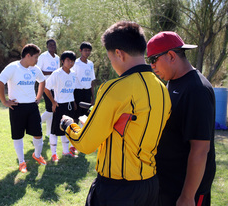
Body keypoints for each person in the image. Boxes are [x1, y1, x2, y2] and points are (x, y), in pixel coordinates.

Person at [60, 21, 171, 206]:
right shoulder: (162, 89)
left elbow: (85, 143)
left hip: (117, 190)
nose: (113, 64)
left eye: (111, 58)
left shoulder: (115, 88)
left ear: (118, 53)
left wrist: (68, 125)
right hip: (150, 185)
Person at [147, 31, 216, 206]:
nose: (152, 66)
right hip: (168, 184)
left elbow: (200, 149)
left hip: (185, 191)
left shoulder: (196, 89)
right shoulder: (174, 81)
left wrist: (187, 196)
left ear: (171, 55)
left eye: (153, 59)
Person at [0, 44, 47, 173]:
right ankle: (21, 162)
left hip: (32, 106)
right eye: (35, 57)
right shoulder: (13, 67)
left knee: (38, 134)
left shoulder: (34, 69)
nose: (37, 61)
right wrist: (4, 101)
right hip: (17, 107)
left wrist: (39, 96)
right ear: (28, 56)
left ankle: (37, 155)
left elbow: (42, 80)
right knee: (18, 136)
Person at [44, 51, 78, 162]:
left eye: (72, 61)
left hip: (70, 105)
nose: (70, 63)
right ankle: (53, 154)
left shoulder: (73, 73)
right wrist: (53, 102)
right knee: (55, 130)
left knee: (67, 129)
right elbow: (46, 88)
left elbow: (72, 90)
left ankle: (66, 151)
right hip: (59, 105)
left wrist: (73, 102)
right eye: (68, 60)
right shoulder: (57, 73)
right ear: (62, 61)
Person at [37, 39, 60, 137]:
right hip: (45, 85)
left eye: (54, 45)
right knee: (50, 109)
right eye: (50, 45)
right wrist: (52, 73)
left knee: (52, 109)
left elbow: (58, 72)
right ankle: (37, 123)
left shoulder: (57, 58)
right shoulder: (43, 56)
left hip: (55, 86)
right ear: (47, 46)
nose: (52, 46)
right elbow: (38, 71)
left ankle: (48, 133)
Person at [72, 41, 96, 120]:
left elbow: (91, 81)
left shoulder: (90, 64)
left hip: (87, 92)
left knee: (86, 116)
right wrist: (73, 99)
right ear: (80, 51)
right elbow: (72, 80)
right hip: (78, 92)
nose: (87, 52)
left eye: (89, 50)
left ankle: (84, 132)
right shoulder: (75, 63)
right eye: (85, 50)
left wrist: (93, 97)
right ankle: (74, 131)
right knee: (76, 116)